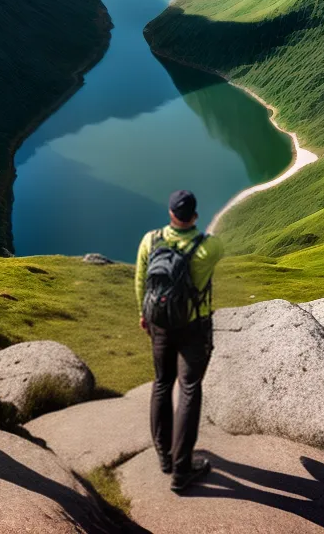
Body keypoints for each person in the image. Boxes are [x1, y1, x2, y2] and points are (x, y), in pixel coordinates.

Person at [135, 189, 224, 494]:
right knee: (189, 388)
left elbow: (140, 280)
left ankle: (164, 457)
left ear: (170, 213)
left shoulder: (151, 240)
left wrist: (144, 315)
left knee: (161, 383)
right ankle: (182, 468)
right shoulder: (210, 247)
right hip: (193, 326)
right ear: (194, 215)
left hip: (159, 323)